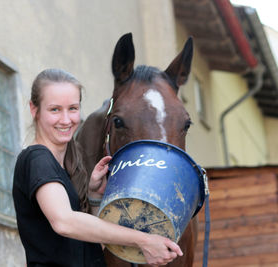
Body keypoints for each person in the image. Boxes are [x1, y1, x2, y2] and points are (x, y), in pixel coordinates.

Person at [12, 68, 183, 267]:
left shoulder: (62, 166)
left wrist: (94, 197)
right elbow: (64, 222)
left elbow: (87, 247)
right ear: (34, 109)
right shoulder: (37, 158)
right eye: (55, 109)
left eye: (73, 108)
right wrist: (144, 240)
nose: (66, 120)